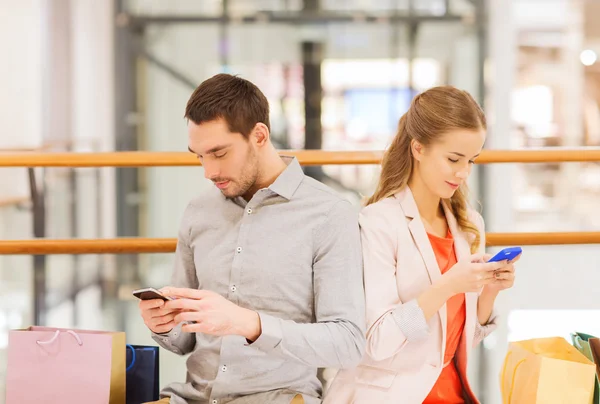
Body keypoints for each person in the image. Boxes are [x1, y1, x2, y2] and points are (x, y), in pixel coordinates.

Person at [137, 73, 366, 404]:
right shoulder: (198, 211)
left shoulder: (328, 214)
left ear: (259, 135)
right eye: (199, 156)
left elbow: (347, 344)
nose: (208, 171)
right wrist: (162, 324)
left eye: (219, 153)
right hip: (191, 397)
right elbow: (183, 340)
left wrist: (248, 324)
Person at [323, 86, 518, 403]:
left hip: (452, 393)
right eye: (454, 158)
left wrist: (490, 289)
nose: (463, 172)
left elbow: (458, 342)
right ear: (418, 148)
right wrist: (447, 285)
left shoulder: (468, 226)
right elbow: (378, 341)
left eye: (471, 160)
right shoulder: (378, 223)